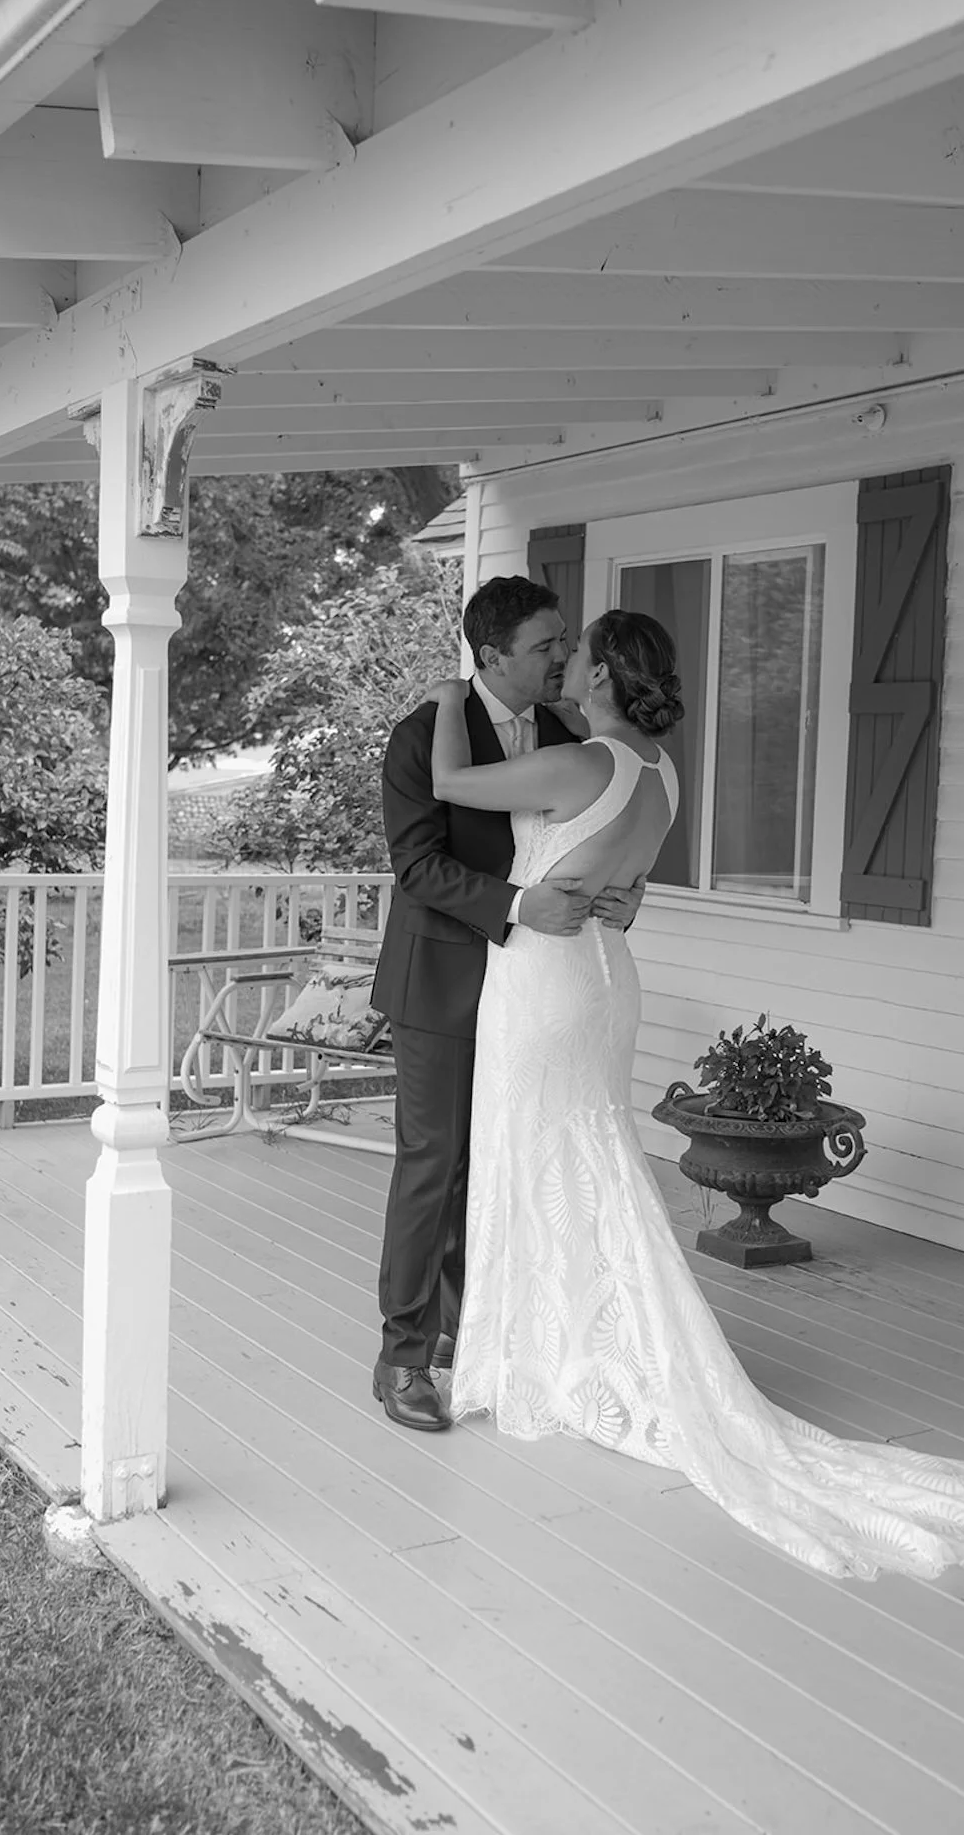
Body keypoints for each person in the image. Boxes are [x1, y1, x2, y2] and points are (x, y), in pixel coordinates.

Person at [420, 606, 964, 1581]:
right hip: (607, 973)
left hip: (543, 979)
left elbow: (448, 781)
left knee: (530, 1150)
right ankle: (564, 1342)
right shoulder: (658, 775)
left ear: (606, 678)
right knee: (586, 1155)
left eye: (578, 658)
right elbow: (631, 888)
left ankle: (537, 1356)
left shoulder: (585, 763)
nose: (567, 666)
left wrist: (451, 692)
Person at [370, 576, 644, 1436]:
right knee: (436, 1163)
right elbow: (416, 867)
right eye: (544, 645)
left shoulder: (570, 731)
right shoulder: (420, 737)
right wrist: (520, 905)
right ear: (491, 656)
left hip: (537, 991)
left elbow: (606, 827)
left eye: (565, 641)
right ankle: (403, 1359)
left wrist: (626, 894)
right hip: (446, 981)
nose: (562, 655)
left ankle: (476, 1330)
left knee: (504, 1161)